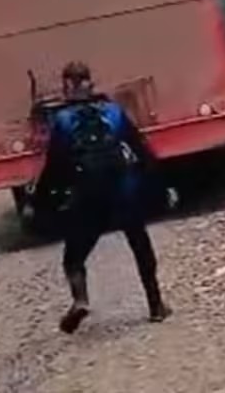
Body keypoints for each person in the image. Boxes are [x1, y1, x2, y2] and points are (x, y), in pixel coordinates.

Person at [36, 61, 171, 334]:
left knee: (73, 258)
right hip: (123, 192)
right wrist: (160, 186)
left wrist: (43, 202)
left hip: (88, 197)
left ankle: (81, 299)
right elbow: (142, 152)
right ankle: (156, 305)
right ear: (90, 82)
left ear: (66, 86)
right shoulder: (113, 112)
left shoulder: (62, 122)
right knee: (140, 246)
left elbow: (54, 169)